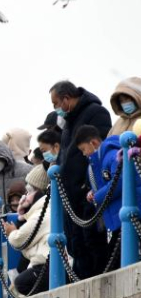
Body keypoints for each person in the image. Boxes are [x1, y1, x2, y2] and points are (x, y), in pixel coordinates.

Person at [50, 80, 111, 280]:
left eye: (56, 103)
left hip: (88, 194)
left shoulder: (96, 113)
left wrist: (85, 183)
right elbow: (65, 157)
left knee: (93, 243)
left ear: (66, 98)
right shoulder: (68, 122)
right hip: (70, 198)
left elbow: (95, 153)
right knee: (77, 246)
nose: (56, 109)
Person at [75, 125, 140, 272]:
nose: (84, 154)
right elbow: (106, 183)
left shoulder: (111, 156)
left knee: (116, 261)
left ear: (93, 143)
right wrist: (93, 192)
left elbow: (119, 181)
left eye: (84, 149)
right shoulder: (97, 161)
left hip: (124, 215)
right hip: (116, 217)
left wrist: (97, 196)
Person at [3, 165, 51, 297]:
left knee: (21, 283)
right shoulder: (40, 209)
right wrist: (21, 215)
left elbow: (19, 240)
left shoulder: (44, 211)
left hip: (47, 265)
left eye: (30, 191)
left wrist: (11, 231)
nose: (26, 196)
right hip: (42, 263)